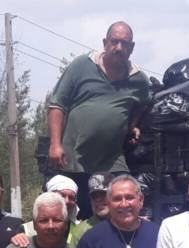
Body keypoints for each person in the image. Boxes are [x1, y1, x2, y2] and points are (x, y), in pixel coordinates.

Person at [47, 22, 150, 218]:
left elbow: (144, 103)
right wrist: (55, 144)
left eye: (125, 44)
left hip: (112, 161)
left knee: (118, 212)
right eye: (114, 42)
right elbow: (57, 105)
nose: (119, 48)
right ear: (105, 43)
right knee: (72, 215)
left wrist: (133, 125)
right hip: (74, 159)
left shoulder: (139, 80)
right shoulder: (82, 66)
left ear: (132, 48)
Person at [14, 174, 91, 246]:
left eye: (71, 198)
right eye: (62, 195)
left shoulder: (80, 230)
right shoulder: (26, 230)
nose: (67, 201)